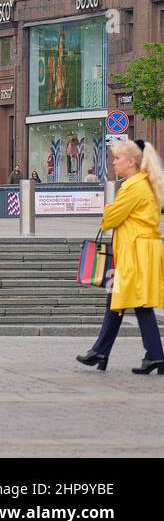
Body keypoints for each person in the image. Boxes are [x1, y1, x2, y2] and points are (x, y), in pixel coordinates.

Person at [77, 139, 164, 374]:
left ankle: (152, 354)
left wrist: (107, 209)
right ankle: (105, 352)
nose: (114, 162)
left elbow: (110, 219)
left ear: (131, 161)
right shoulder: (143, 183)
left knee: (135, 301)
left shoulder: (134, 186)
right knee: (119, 299)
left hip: (136, 251)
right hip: (138, 249)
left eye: (117, 158)